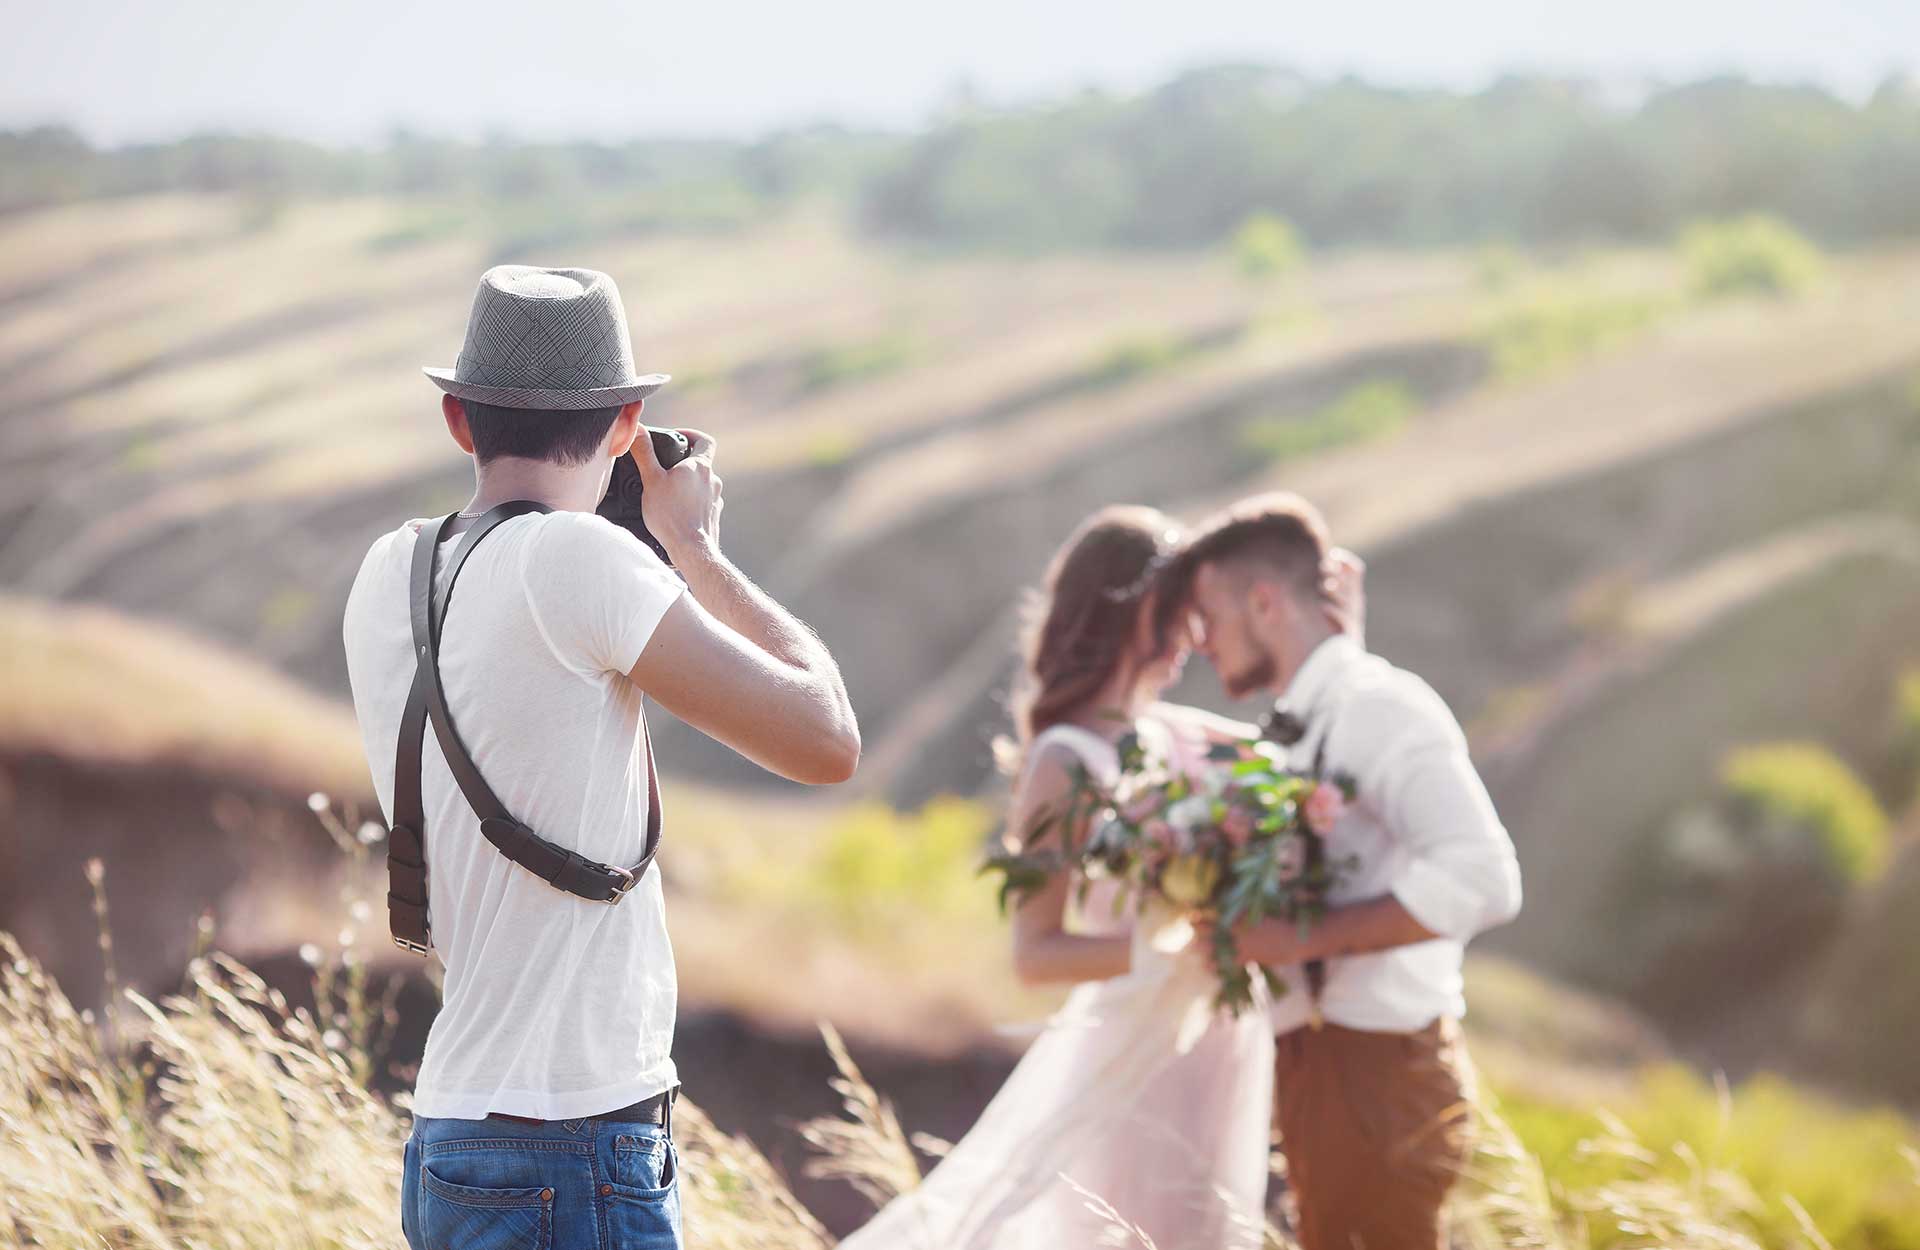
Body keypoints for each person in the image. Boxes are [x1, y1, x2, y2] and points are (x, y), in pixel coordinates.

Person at [342, 264, 860, 1250]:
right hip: (572, 1138)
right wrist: (695, 548)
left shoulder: (388, 570)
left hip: (449, 1131)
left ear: (458, 420)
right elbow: (827, 738)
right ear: (627, 426)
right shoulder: (582, 563)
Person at [839, 504, 1360, 1250]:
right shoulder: (1063, 759)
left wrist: (1344, 640)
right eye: (1184, 609)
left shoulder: (1182, 732)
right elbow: (1036, 952)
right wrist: (1170, 952)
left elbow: (1309, 758)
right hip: (1133, 1056)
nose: (1196, 633)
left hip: (1222, 1042)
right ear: (1136, 607)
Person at [1165, 492, 1523, 1250]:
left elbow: (1487, 878)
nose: (1200, 642)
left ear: (1264, 603)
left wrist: (1296, 939)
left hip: (1376, 1075)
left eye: (1209, 615)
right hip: (1328, 1072)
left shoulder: (1381, 708)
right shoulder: (1311, 718)